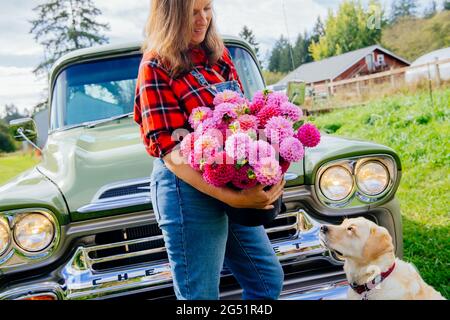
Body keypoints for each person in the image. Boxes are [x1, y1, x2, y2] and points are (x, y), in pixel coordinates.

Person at [133, 0, 285, 300]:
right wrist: (235, 198)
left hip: (227, 176)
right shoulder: (155, 66)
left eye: (207, 8)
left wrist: (262, 170)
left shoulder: (218, 55)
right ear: (170, 16)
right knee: (200, 298)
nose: (202, 19)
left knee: (267, 280)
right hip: (185, 187)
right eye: (191, 13)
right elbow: (172, 152)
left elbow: (242, 116)